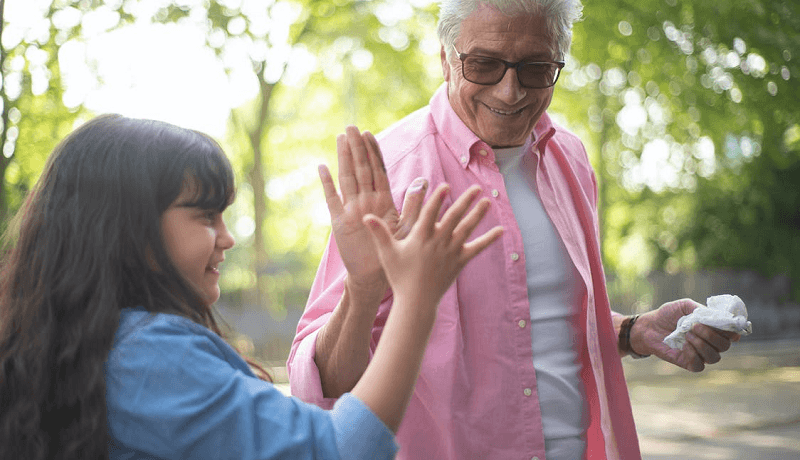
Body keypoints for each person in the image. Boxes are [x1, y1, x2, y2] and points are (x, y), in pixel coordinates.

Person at [288, 1, 741, 459]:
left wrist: (632, 331)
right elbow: (320, 386)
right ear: (445, 58)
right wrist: (363, 290)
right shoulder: (390, 173)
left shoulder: (572, 160)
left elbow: (531, 323)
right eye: (484, 65)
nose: (510, 92)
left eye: (535, 68)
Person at [0, 114, 502, 460]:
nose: (227, 237)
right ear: (129, 228)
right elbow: (336, 450)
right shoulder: (146, 353)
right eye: (205, 216)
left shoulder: (90, 340)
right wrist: (415, 298)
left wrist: (366, 286)